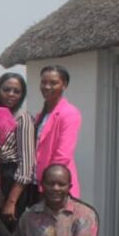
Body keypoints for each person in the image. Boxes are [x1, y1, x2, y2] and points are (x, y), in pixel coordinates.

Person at [0, 73, 36, 226]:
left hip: (12, 180)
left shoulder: (23, 119)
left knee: (8, 229)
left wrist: (11, 201)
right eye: (6, 89)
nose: (11, 94)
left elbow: (27, 163)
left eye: (16, 91)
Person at [35, 65, 81, 198]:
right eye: (44, 82)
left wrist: (49, 185)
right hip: (39, 183)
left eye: (53, 83)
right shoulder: (41, 115)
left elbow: (62, 155)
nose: (47, 87)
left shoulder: (69, 113)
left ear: (64, 85)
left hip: (55, 187)